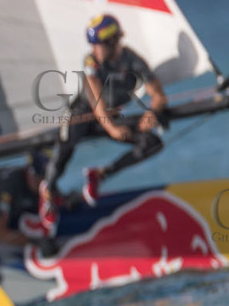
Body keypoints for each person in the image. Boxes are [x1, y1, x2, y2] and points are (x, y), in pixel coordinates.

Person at [46, 14, 168, 206]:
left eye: (99, 46)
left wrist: (152, 113)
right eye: (93, 46)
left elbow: (159, 96)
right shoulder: (91, 62)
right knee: (64, 149)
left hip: (109, 117)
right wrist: (112, 129)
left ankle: (101, 174)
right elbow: (98, 104)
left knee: (152, 143)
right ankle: (48, 191)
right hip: (82, 114)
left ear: (113, 42)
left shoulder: (133, 60)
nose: (95, 50)